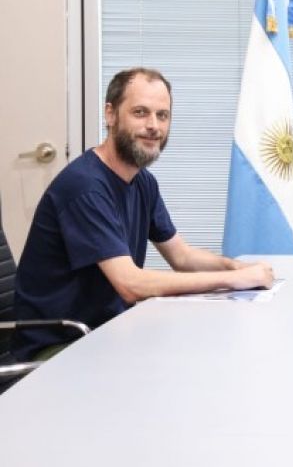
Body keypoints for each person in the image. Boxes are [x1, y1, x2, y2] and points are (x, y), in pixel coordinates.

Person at [12, 68, 273, 361]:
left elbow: (182, 257)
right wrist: (232, 281)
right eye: (140, 112)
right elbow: (130, 284)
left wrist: (232, 267)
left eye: (162, 115)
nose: (154, 126)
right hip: (59, 348)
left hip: (106, 332)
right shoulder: (85, 186)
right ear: (110, 115)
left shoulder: (142, 182)